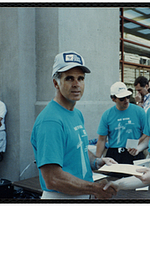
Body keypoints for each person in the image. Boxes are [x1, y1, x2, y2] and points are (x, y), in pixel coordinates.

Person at [31, 51, 117, 199]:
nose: (76, 84)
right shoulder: (50, 121)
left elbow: (79, 149)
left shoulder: (76, 114)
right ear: (56, 83)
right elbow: (53, 179)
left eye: (80, 78)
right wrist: (95, 189)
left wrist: (97, 162)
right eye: (69, 78)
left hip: (82, 194)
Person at [95, 81, 146, 170]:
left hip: (134, 152)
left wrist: (137, 143)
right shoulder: (107, 115)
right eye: (122, 98)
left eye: (128, 97)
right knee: (113, 181)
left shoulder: (139, 111)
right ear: (113, 99)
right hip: (115, 154)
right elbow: (102, 139)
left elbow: (147, 133)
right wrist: (96, 161)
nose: (126, 100)